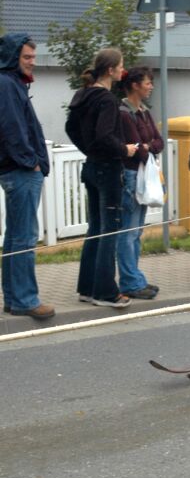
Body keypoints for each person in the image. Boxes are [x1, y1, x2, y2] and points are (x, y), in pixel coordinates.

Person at [66, 47, 138, 308]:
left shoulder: (83, 95)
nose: (123, 69)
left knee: (95, 228)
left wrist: (89, 150)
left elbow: (70, 128)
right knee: (110, 229)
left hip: (91, 166)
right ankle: (106, 292)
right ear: (110, 70)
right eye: (121, 65)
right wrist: (124, 149)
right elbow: (105, 135)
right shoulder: (107, 100)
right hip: (108, 169)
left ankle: (87, 288)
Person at [0, 33, 55, 319]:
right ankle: (24, 299)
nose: (32, 62)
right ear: (13, 57)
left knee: (14, 237)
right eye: (27, 57)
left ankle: (13, 298)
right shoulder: (8, 84)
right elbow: (11, 129)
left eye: (33, 57)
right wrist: (31, 162)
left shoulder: (11, 83)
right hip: (20, 171)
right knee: (24, 238)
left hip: (17, 169)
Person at [117, 66, 164, 299]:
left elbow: (158, 142)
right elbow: (138, 148)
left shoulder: (143, 111)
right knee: (129, 230)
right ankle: (129, 281)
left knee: (136, 231)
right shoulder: (125, 113)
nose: (151, 86)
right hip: (132, 175)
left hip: (143, 174)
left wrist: (146, 146)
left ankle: (134, 277)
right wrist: (146, 147)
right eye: (148, 82)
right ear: (135, 85)